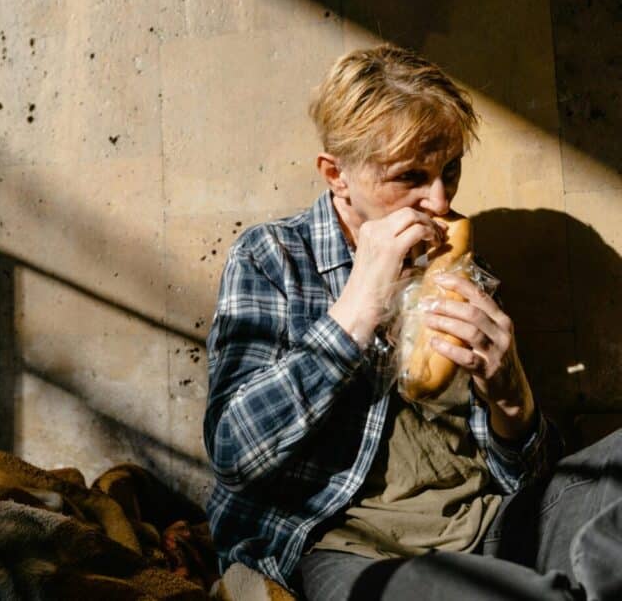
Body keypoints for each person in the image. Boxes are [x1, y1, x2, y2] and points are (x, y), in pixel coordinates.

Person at [202, 45, 622, 600]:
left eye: (451, 170)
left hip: (494, 527)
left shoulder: (467, 269)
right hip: (349, 551)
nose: (441, 198)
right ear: (337, 175)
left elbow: (525, 477)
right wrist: (358, 307)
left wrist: (512, 399)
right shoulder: (273, 257)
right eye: (411, 176)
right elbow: (234, 452)